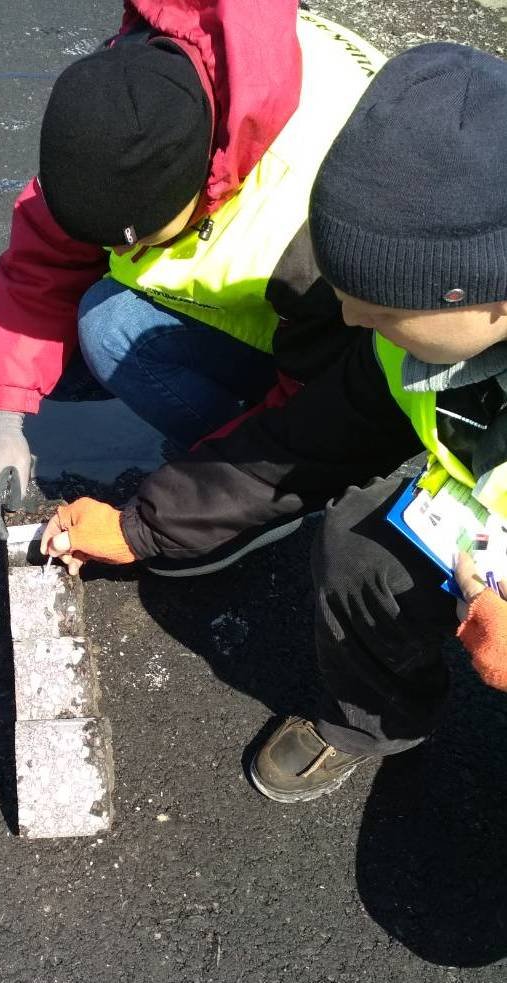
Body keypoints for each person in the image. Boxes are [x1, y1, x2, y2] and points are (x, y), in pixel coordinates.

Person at [38, 40, 507, 802]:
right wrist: (139, 526)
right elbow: (289, 445)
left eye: (381, 307)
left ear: (492, 297)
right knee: (358, 542)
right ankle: (375, 719)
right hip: (480, 522)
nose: (351, 317)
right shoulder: (406, 348)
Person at [0, 3, 384, 539]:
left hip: (347, 344)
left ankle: (264, 499)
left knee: (108, 327)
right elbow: (42, 262)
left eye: (136, 238)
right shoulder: (118, 111)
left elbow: (324, 402)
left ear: (201, 183)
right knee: (65, 348)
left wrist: (177, 512)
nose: (117, 253)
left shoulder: (313, 224)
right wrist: (2, 418)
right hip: (283, 297)